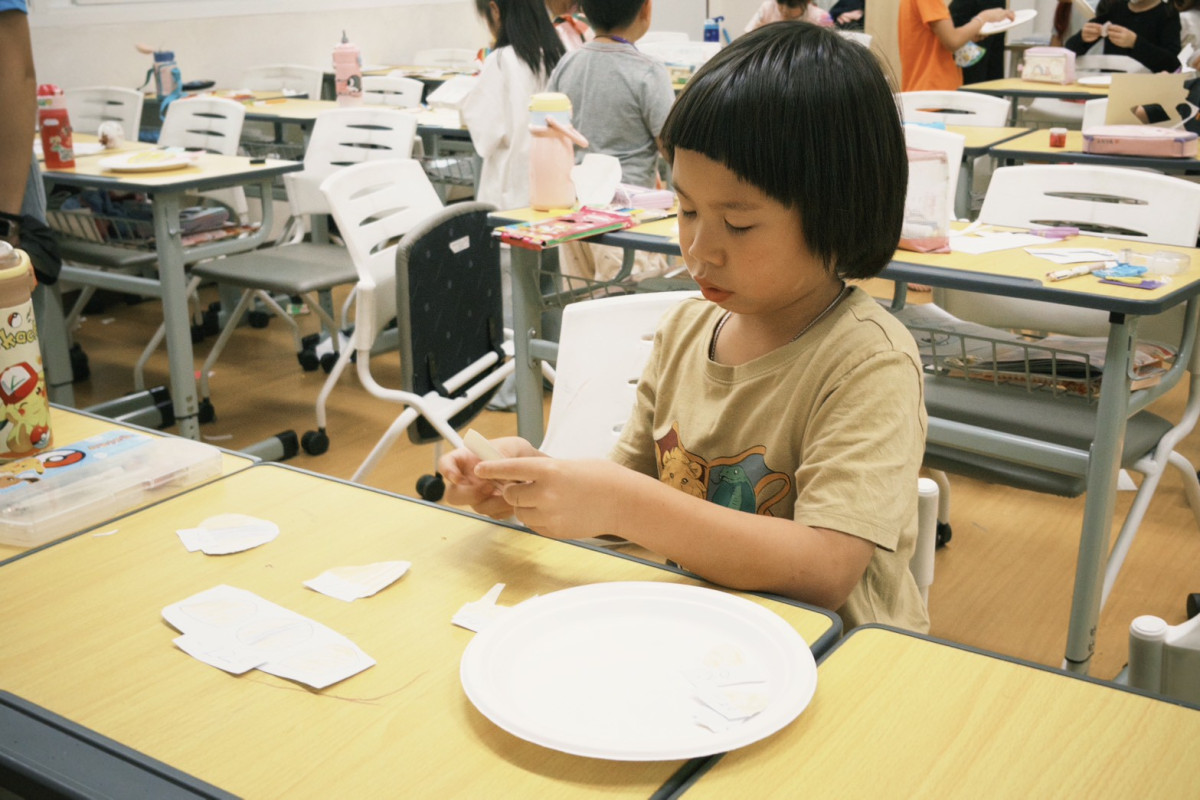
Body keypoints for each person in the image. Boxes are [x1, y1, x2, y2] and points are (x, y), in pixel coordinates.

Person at [439, 22, 930, 633]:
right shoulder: (684, 332)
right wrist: (544, 481)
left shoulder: (869, 363)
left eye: (738, 224)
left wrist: (620, 502)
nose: (699, 250)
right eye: (687, 209)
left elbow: (825, 570)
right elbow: (629, 496)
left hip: (836, 656)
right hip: (707, 636)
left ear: (839, 211)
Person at [546, 0, 674, 281]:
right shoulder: (648, 71)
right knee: (624, 304)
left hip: (573, 213)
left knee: (579, 301)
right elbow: (673, 149)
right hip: (627, 219)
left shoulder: (567, 64)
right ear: (646, 9)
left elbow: (550, 129)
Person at [463, 0, 565, 209]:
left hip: (511, 188)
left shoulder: (501, 60)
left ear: (495, 10)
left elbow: (485, 137)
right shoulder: (560, 54)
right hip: (557, 181)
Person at [898, 0, 1014, 91]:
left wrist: (969, 35)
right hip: (935, 94)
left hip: (926, 92)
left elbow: (943, 38)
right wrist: (984, 18)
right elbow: (952, 41)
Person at [1064, 0, 1182, 74]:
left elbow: (1172, 64)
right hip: (1107, 87)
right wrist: (1082, 38)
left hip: (1147, 92)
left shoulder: (1167, 14)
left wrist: (1135, 43)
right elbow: (1070, 50)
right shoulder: (1114, 8)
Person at [744, 0, 833, 31]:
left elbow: (833, 46)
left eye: (792, 5)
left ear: (807, 1)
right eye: (780, 2)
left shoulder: (822, 17)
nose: (784, 10)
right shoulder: (768, 7)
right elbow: (748, 34)